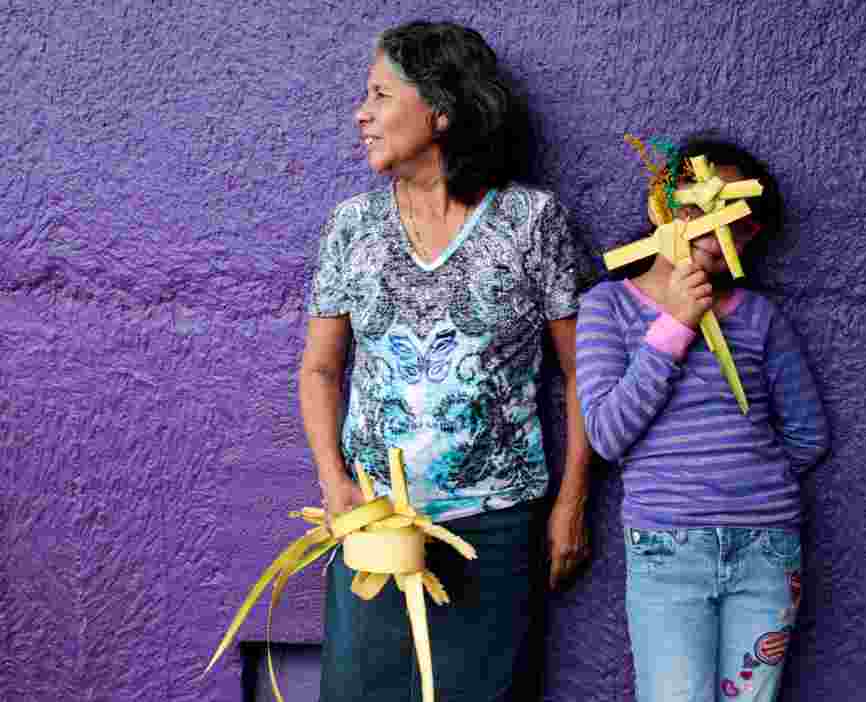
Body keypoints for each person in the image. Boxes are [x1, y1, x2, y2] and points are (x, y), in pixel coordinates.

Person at [299, 21, 594, 702]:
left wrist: (571, 506)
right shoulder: (351, 228)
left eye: (380, 94)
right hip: (374, 528)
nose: (361, 113)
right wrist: (334, 484)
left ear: (441, 109)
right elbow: (320, 370)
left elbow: (582, 373)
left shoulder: (531, 221)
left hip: (491, 529)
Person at [575, 137, 829, 702]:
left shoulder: (760, 317)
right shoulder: (607, 307)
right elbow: (607, 435)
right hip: (668, 547)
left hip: (766, 546)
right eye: (694, 210)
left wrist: (750, 482)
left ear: (749, 235)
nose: (708, 232)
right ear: (663, 208)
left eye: (729, 220)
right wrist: (675, 327)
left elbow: (808, 435)